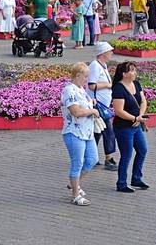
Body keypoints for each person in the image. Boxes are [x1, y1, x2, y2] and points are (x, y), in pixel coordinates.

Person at [60, 62, 99, 206]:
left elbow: (83, 105)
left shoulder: (80, 90)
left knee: (92, 160)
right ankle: (75, 195)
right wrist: (92, 111)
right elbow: (75, 111)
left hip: (87, 132)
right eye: (85, 76)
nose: (87, 79)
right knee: (77, 163)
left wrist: (91, 103)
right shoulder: (69, 90)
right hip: (74, 132)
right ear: (77, 75)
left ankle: (75, 184)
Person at [110, 61, 149, 194]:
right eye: (132, 71)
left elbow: (143, 101)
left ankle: (136, 178)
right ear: (124, 74)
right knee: (126, 155)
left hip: (136, 125)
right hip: (123, 127)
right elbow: (119, 111)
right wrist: (134, 118)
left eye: (134, 70)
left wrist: (140, 116)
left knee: (142, 150)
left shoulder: (136, 84)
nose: (134, 73)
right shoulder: (118, 89)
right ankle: (121, 183)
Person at [87, 42, 117, 170]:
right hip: (98, 104)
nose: (112, 53)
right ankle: (108, 158)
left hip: (102, 104)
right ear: (103, 53)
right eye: (110, 51)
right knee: (108, 131)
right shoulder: (95, 66)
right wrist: (107, 85)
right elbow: (91, 85)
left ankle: (90, 156)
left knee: (97, 131)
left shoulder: (102, 65)